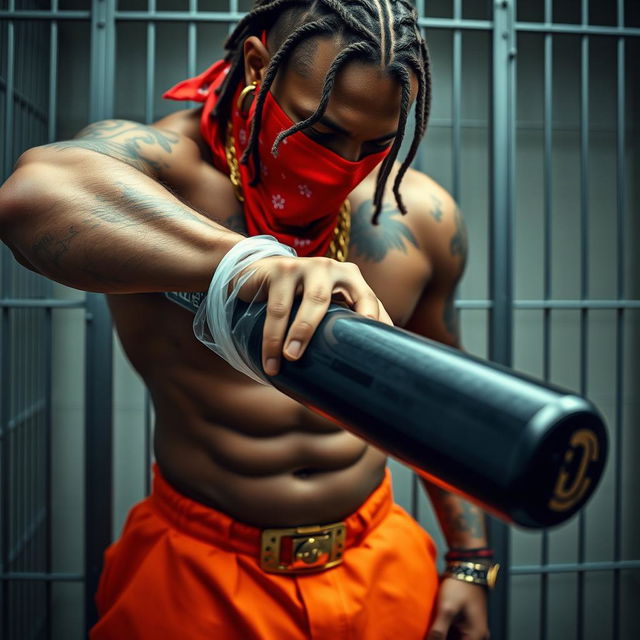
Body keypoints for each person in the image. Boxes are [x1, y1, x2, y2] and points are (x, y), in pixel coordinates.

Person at [0, 1, 495, 638]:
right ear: (259, 67)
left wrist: (472, 561)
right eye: (319, 131)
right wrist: (243, 263)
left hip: (379, 563)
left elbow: (434, 397)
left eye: (374, 145)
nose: (345, 164)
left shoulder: (417, 219)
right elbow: (28, 199)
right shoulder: (170, 181)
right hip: (200, 575)